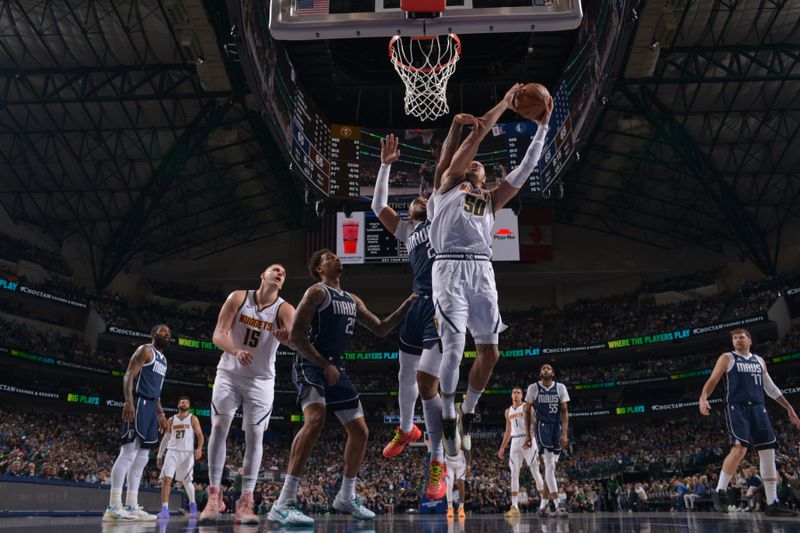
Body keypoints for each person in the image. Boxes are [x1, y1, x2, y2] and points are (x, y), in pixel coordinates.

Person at [429, 83, 553, 453]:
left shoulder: (492, 199)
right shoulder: (449, 184)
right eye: (472, 163)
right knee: (453, 349)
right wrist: (504, 101)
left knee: (491, 352)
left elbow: (528, 166)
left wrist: (543, 126)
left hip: (482, 271)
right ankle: (448, 414)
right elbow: (478, 132)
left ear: (487, 178)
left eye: (481, 166)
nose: (476, 164)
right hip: (448, 268)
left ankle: (467, 411)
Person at [268, 249, 415, 526]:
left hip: (336, 367)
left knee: (360, 431)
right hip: (312, 364)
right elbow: (297, 337)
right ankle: (283, 502)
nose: (337, 259)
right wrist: (324, 364)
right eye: (329, 257)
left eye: (336, 256)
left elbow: (382, 328)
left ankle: (346, 496)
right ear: (319, 269)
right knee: (315, 420)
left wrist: (409, 303)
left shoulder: (352, 299)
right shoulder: (316, 292)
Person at [371, 133, 447, 499]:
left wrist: (439, 153)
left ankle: (437, 460)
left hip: (442, 303)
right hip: (418, 303)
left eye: (425, 198)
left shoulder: (439, 220)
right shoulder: (409, 230)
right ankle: (406, 428)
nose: (421, 200)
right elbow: (377, 206)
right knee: (404, 373)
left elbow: (441, 186)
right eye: (417, 200)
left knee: (426, 382)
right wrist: (385, 165)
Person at [200, 264, 295, 524]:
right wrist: (235, 351)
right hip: (229, 373)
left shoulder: (285, 309)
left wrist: (290, 338)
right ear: (262, 275)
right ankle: (214, 496)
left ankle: (245, 502)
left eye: (283, 274)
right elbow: (218, 335)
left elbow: (299, 337)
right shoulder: (238, 297)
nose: (280, 273)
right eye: (275, 270)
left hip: (261, 380)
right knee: (219, 427)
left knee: (255, 436)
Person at [699, 328, 800, 516]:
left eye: (741, 337)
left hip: (758, 407)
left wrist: (788, 407)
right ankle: (720, 490)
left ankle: (772, 502)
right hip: (737, 407)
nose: (737, 340)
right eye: (735, 338)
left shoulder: (759, 360)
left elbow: (770, 387)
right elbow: (713, 379)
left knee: (769, 451)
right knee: (740, 448)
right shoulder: (727, 358)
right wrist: (703, 398)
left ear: (749, 340)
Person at [103, 324, 170, 522]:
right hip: (139, 403)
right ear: (153, 334)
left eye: (169, 333)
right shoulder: (145, 350)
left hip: (152, 408)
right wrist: (128, 401)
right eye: (163, 331)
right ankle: (113, 505)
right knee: (128, 453)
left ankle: (132, 505)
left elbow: (157, 392)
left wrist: (161, 413)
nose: (167, 334)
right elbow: (128, 375)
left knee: (142, 457)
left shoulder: (164, 361)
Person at [524, 364, 569, 517]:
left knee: (551, 468)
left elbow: (564, 411)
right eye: (543, 368)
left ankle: (543, 506)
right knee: (549, 465)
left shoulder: (560, 387)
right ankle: (557, 505)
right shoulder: (533, 388)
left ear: (553, 373)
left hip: (557, 428)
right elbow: (527, 413)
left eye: (549, 368)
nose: (546, 370)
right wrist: (528, 434)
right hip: (543, 427)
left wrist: (564, 433)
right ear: (539, 373)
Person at [498, 386, 546, 517]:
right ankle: (514, 507)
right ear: (511, 395)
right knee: (514, 473)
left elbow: (536, 423)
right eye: (514, 392)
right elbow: (508, 431)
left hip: (528, 440)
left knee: (534, 471)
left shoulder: (527, 407)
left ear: (522, 395)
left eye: (518, 393)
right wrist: (502, 447)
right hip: (514, 441)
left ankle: (544, 502)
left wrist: (530, 438)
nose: (516, 394)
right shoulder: (508, 411)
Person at [156, 396, 204, 518]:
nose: (184, 404)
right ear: (178, 405)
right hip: (172, 452)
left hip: (187, 453)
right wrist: (159, 455)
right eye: (182, 402)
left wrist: (199, 448)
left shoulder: (193, 419)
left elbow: (200, 435)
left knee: (187, 481)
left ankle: (193, 505)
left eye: (187, 402)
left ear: (189, 406)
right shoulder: (171, 420)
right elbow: (166, 439)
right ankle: (165, 509)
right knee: (167, 480)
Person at [445, 405, 469, 519]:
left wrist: (468, 465)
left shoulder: (463, 431)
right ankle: (450, 508)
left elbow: (468, 449)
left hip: (460, 461)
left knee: (461, 484)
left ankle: (461, 507)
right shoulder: (444, 426)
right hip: (448, 461)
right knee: (449, 484)